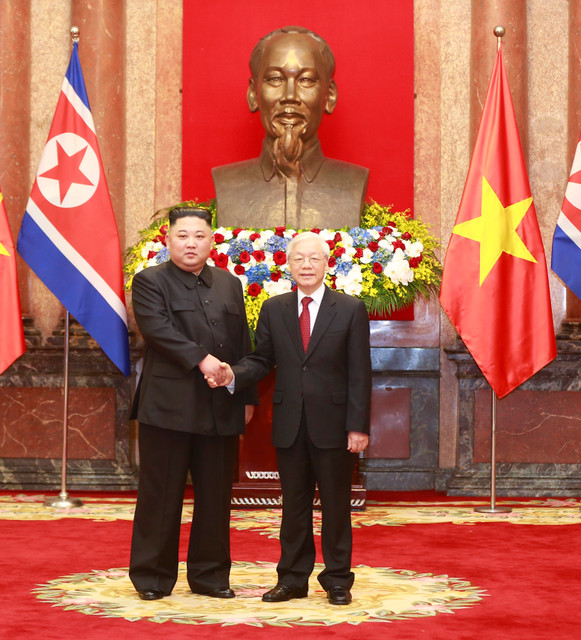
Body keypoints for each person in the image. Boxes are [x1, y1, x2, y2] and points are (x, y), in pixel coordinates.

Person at [210, 231, 371, 605]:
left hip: (334, 424)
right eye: (299, 259)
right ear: (288, 264)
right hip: (289, 422)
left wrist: (358, 426)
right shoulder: (275, 308)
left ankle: (337, 580)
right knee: (293, 506)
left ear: (327, 264)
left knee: (335, 505)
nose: (307, 265)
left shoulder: (349, 309)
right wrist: (233, 374)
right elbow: (262, 359)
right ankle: (293, 579)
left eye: (314, 259)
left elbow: (360, 371)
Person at [128, 206, 256, 601]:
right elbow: (159, 331)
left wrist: (245, 394)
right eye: (182, 235)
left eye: (199, 235)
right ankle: (152, 576)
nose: (190, 243)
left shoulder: (230, 284)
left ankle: (211, 576)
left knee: (216, 498)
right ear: (168, 239)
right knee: (161, 495)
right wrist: (204, 360)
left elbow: (241, 342)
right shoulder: (149, 281)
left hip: (220, 407)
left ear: (211, 240)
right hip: (168, 408)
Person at [212, 25, 368, 230]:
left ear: (329, 95)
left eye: (306, 80)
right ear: (253, 94)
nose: (290, 96)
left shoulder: (353, 183)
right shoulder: (227, 183)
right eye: (275, 79)